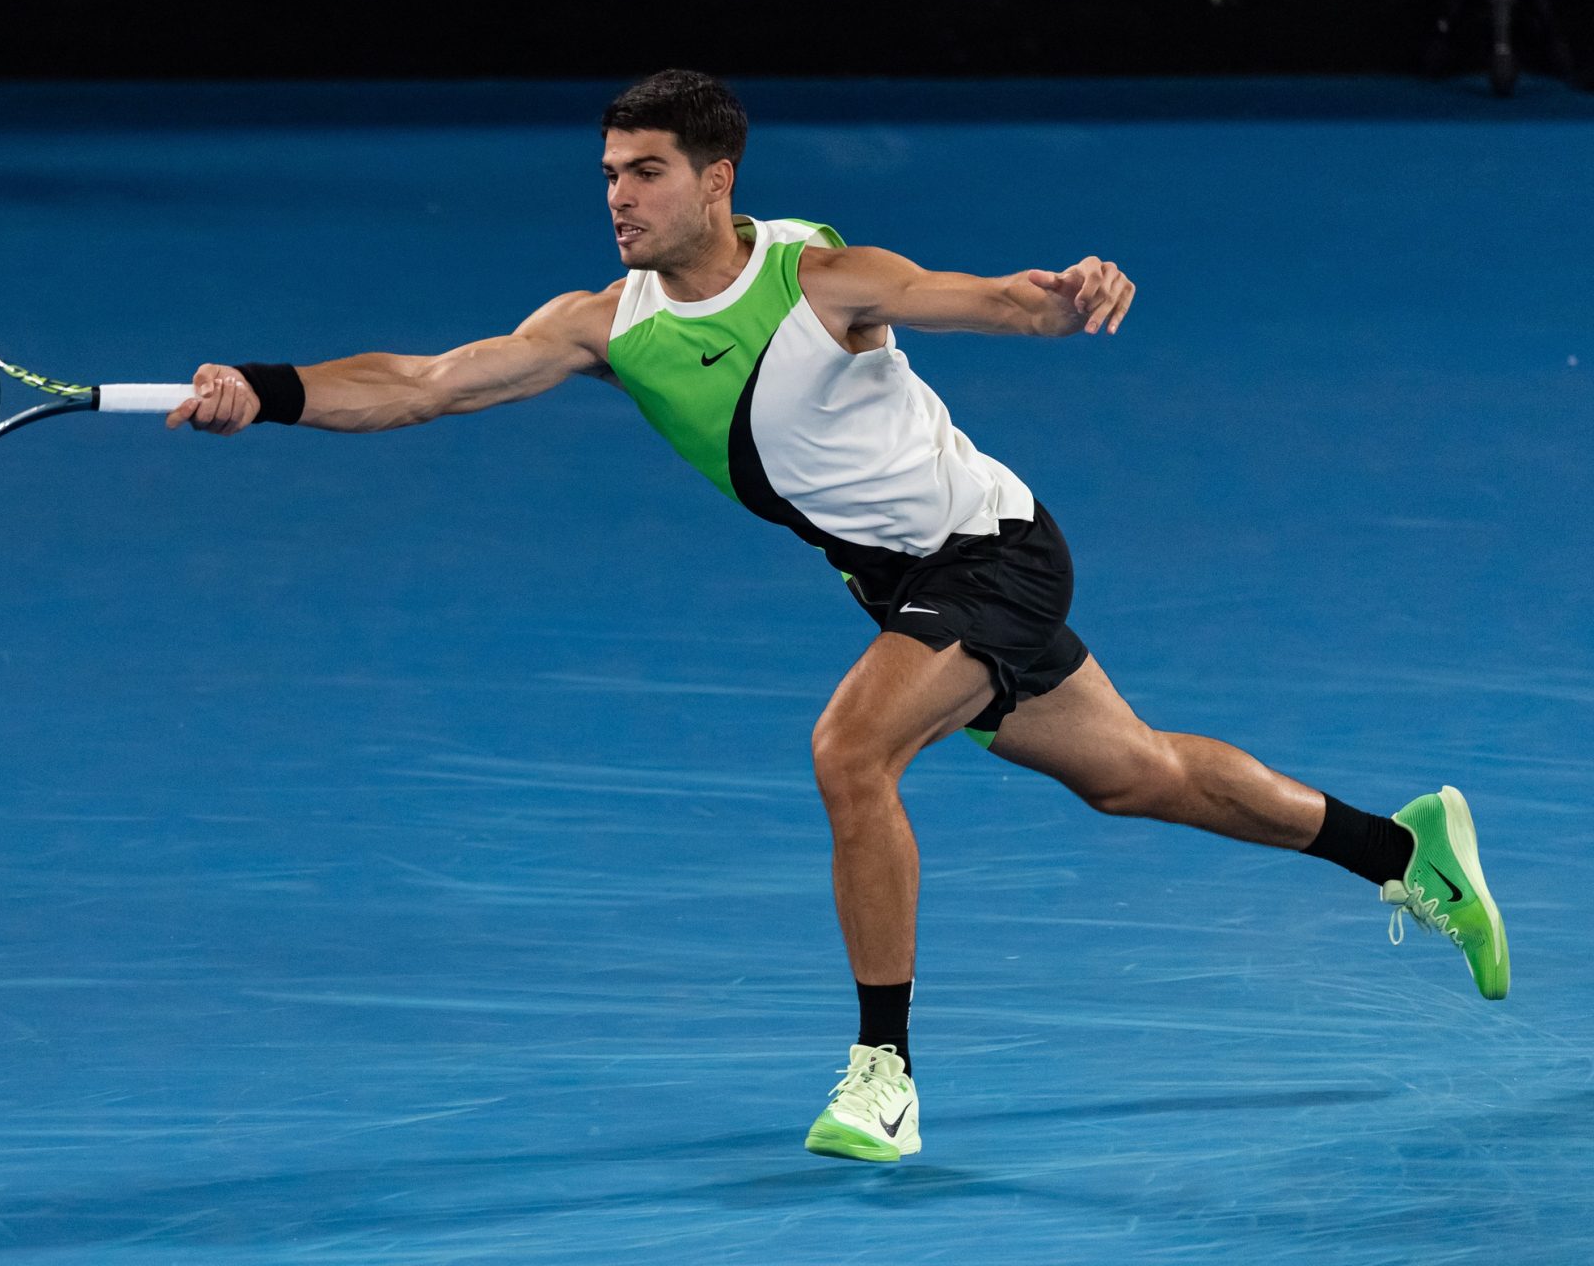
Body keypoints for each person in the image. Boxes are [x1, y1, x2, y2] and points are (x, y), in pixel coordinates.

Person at [166, 69, 1508, 1163]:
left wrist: (1067, 293)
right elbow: (422, 383)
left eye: (645, 172)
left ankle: (884, 1072)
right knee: (1136, 775)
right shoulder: (604, 324)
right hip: (915, 584)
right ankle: (1403, 850)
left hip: (990, 557)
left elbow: (986, 303)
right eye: (609, 175)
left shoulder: (824, 281)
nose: (619, 198)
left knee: (849, 751)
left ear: (716, 179)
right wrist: (266, 389)